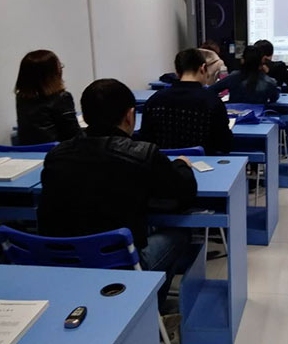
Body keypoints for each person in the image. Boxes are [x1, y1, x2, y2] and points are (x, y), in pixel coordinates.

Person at [37, 79, 197, 301]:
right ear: (130, 116)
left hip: (60, 262)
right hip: (122, 265)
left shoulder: (56, 155)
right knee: (180, 235)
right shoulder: (143, 154)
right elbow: (184, 193)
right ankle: (151, 308)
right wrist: (181, 164)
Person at [140, 49, 233, 154]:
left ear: (177, 72)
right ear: (203, 68)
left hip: (162, 163)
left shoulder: (154, 101)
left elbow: (144, 141)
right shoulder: (213, 101)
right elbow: (225, 145)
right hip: (203, 162)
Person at [15, 49, 81, 145]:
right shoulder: (62, 98)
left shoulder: (21, 98)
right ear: (54, 73)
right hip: (57, 150)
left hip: (29, 151)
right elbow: (73, 135)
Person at [209, 46, 280, 104]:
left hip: (234, 115)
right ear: (261, 62)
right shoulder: (270, 82)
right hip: (259, 116)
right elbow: (274, 99)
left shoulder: (232, 77)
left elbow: (211, 90)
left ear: (242, 60)